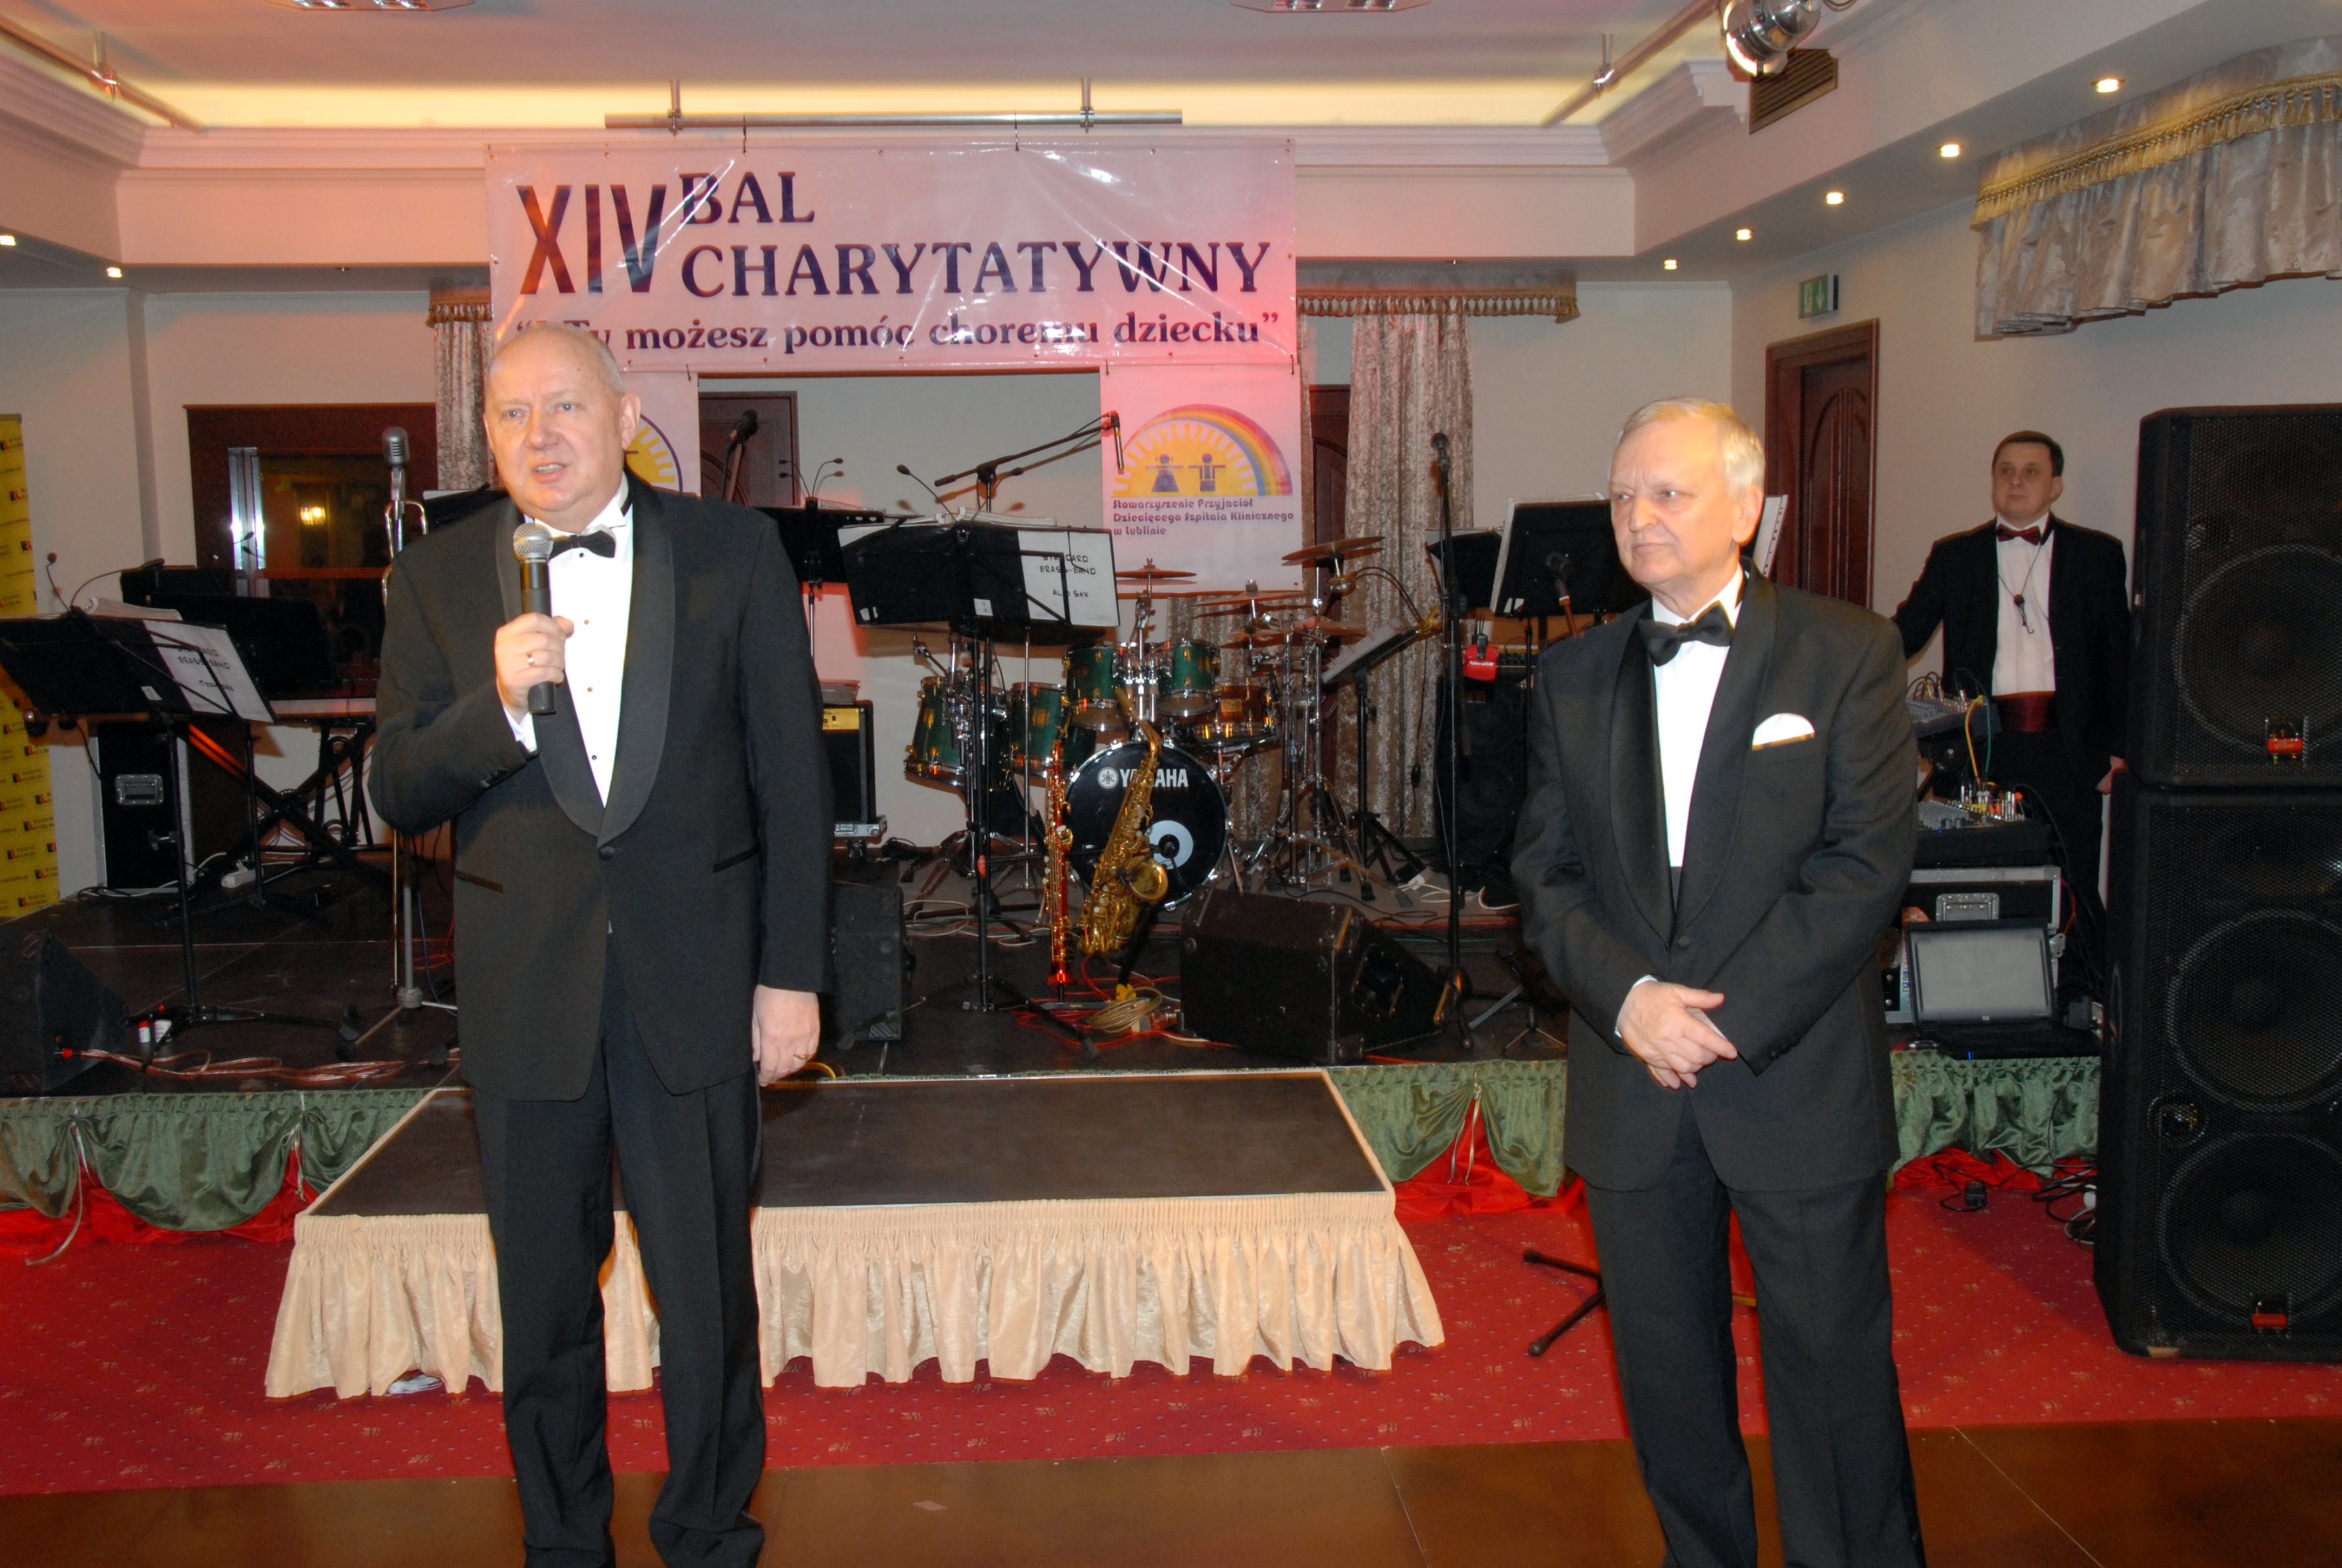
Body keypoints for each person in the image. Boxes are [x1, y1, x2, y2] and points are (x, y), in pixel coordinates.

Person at [372, 322, 830, 1568]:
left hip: (699, 986)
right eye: (512, 414)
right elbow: (396, 787)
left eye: (565, 406)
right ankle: (565, 1541)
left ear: (625, 414)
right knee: (542, 1307)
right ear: (487, 435)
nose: (540, 435)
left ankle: (709, 1530)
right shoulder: (436, 576)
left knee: (708, 1295)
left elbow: (793, 786)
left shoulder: (732, 552)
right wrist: (495, 708)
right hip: (528, 997)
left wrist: (791, 975)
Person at [1513, 399, 1924, 1568]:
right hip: (1632, 1079)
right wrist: (1631, 1002)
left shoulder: (1848, 651)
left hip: (1795, 1077)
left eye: (1667, 492)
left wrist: (1719, 1021)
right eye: (1622, 494)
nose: (1637, 516)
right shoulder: (1572, 674)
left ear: (1746, 508)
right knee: (1670, 1387)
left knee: (1835, 1381)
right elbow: (1543, 875)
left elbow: (1864, 867)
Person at [1890, 431, 2130, 994]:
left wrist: (2115, 752)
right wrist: (1835, 653)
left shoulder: (2096, 555)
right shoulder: (1955, 556)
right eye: (2005, 471)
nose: (2016, 482)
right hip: (1981, 750)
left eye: (2031, 472)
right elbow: (1901, 636)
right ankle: (1969, 995)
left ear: (2056, 485)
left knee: (2072, 879)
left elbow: (2119, 660)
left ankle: (2078, 1000)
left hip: (2068, 750)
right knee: (1972, 874)